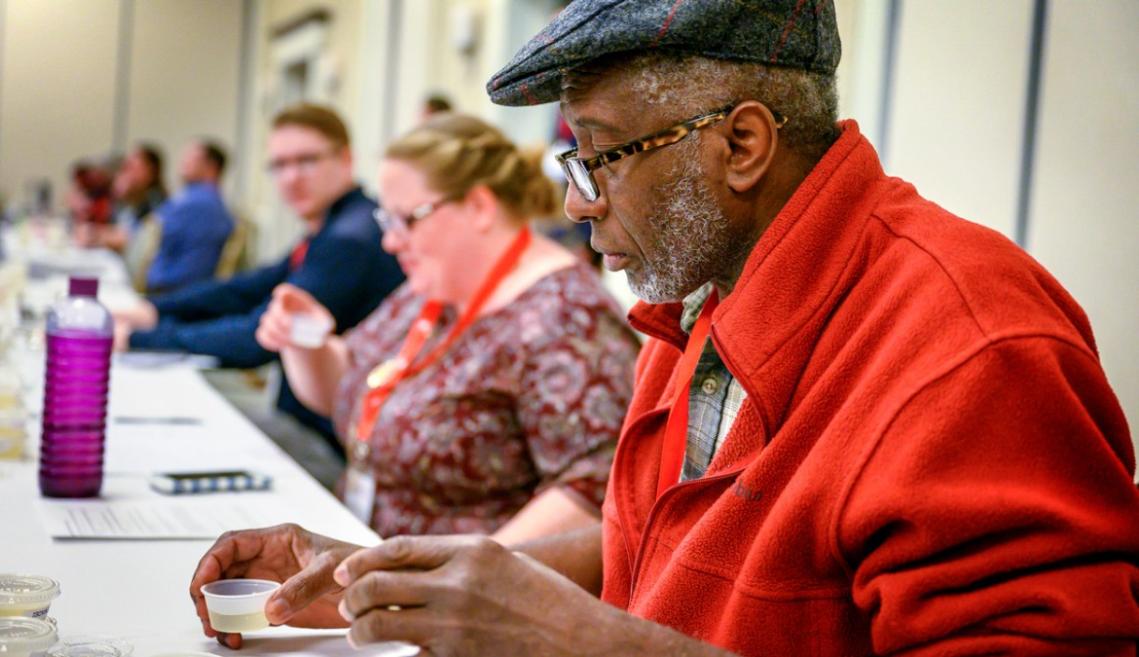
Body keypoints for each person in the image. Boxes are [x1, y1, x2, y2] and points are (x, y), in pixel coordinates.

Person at [189, 2, 1139, 655]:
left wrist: (584, 641)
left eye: (600, 157)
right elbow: (646, 548)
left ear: (741, 144)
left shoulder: (970, 346)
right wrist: (393, 574)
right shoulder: (700, 294)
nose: (576, 204)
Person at [254, 113, 639, 541]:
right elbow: (345, 386)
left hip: (458, 597)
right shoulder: (436, 286)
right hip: (374, 563)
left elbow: (592, 492)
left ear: (478, 207)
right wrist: (305, 340)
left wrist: (453, 576)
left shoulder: (568, 315)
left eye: (407, 219)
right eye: (387, 221)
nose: (390, 241)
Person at [115, 104, 404, 443]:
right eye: (279, 165)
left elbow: (256, 338)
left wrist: (138, 339)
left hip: (323, 438)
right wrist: (153, 311)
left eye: (307, 161)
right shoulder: (338, 223)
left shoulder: (349, 239)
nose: (291, 178)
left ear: (346, 159)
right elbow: (249, 288)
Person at [142, 139, 234, 292]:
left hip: (171, 288)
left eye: (192, 158)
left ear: (211, 167)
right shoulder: (212, 201)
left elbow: (148, 230)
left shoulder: (196, 202)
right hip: (187, 286)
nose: (183, 162)